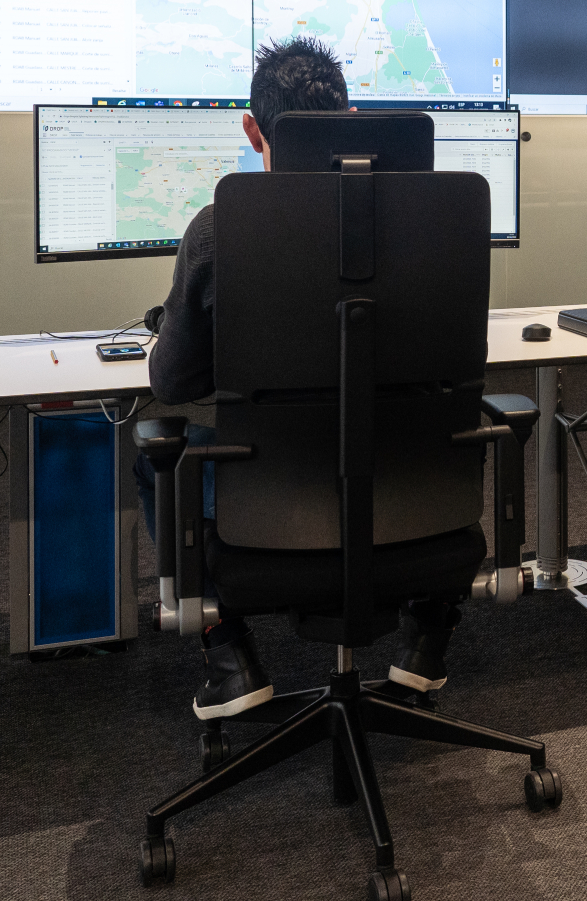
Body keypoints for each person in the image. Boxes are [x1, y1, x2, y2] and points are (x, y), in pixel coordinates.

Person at [141, 36, 468, 719]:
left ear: (252, 129)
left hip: (269, 508)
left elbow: (173, 382)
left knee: (152, 454)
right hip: (415, 498)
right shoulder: (436, 218)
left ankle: (229, 654)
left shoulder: (219, 230)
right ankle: (426, 639)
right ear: (349, 119)